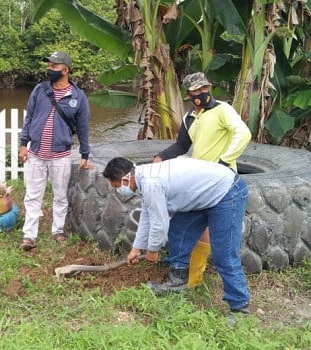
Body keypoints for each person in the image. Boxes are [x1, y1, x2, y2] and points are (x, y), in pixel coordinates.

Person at [102, 156, 251, 314]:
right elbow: (147, 215)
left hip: (227, 192)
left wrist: (152, 250)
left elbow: (159, 223)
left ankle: (240, 307)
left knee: (224, 254)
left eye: (116, 185)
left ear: (125, 180)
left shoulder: (151, 183)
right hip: (205, 193)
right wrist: (137, 248)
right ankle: (178, 282)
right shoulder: (143, 176)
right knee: (179, 230)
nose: (118, 190)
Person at [153, 72, 251, 288]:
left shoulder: (222, 110)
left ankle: (231, 301)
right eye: (196, 90)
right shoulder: (190, 118)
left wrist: (225, 161)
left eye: (204, 88)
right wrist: (160, 158)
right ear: (188, 94)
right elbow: (181, 145)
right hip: (199, 185)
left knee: (221, 247)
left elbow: (242, 133)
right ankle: (181, 280)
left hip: (223, 184)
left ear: (210, 87)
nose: (201, 93)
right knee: (179, 228)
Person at [18, 51, 92, 251]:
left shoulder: (77, 96)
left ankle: (57, 230)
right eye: (48, 66)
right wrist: (24, 144)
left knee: (60, 195)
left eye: (53, 66)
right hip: (36, 154)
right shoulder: (39, 90)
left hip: (60, 155)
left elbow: (83, 127)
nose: (49, 69)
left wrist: (85, 154)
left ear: (65, 70)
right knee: (33, 195)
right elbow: (29, 118)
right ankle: (29, 235)